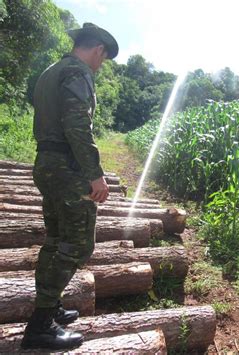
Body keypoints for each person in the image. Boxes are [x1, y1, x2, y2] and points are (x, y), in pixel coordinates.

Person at [21, 23, 119, 350]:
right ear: (98, 50)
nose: (100, 65)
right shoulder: (78, 72)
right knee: (77, 245)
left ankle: (51, 307)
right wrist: (95, 174)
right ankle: (40, 327)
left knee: (55, 240)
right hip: (67, 169)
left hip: (46, 163)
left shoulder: (51, 71)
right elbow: (77, 126)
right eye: (103, 59)